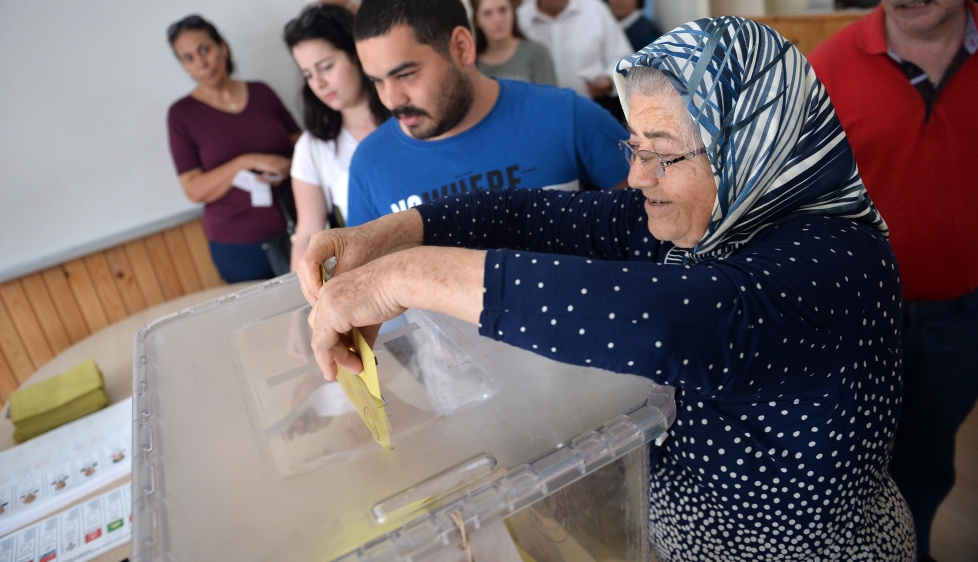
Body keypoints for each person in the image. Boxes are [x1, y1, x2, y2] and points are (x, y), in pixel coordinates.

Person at [298, 17, 916, 559]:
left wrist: (402, 278)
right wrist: (395, 234)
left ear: (751, 147)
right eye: (633, 146)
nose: (635, 175)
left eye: (664, 155)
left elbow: (657, 319)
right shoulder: (706, 219)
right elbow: (536, 218)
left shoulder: (837, 262)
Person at [809, 2, 978, 560]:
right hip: (855, 320)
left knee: (928, 460)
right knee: (848, 465)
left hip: (963, 315)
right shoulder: (829, 66)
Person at [345, 0, 630, 227]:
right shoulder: (370, 164)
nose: (391, 100)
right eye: (377, 81)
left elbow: (652, 219)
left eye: (406, 74)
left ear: (461, 48)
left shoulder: (565, 116)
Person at [166, 15, 300, 282]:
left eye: (205, 49)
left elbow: (300, 142)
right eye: (188, 58)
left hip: (296, 228)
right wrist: (245, 161)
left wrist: (287, 164)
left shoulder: (261, 92)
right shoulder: (182, 115)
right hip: (238, 247)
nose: (202, 63)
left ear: (222, 47)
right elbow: (193, 188)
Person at [283, 4, 391, 271]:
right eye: (308, 74)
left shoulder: (405, 117)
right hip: (371, 275)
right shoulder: (313, 147)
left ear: (356, 54)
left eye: (326, 67)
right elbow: (308, 234)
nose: (318, 83)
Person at [517, 0, 633, 121]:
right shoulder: (520, 18)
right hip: (536, 116)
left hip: (590, 114)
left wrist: (609, 80)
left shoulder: (595, 10)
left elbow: (625, 61)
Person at [471, 0, 558, 85]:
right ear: (477, 21)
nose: (497, 19)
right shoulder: (471, 62)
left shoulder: (538, 53)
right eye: (487, 13)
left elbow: (551, 97)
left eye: (503, 10)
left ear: (513, 13)